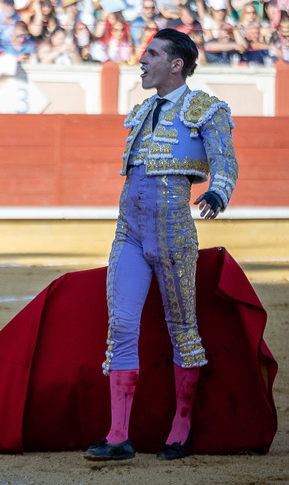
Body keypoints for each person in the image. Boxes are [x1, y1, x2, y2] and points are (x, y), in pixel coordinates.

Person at [86, 28, 239, 462]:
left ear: (176, 64)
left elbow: (225, 162)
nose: (142, 59)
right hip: (129, 231)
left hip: (173, 230)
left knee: (183, 329)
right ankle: (118, 435)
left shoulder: (207, 109)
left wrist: (216, 193)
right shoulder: (139, 112)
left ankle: (182, 425)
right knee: (121, 326)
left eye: (152, 53)